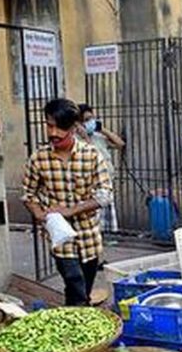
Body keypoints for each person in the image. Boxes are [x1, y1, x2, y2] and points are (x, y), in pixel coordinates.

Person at [22, 99, 113, 305]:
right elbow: (28, 194)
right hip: (60, 237)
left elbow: (105, 195)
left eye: (59, 127)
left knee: (83, 287)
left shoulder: (91, 155)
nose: (53, 133)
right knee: (73, 279)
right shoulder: (38, 159)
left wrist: (70, 210)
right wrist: (38, 213)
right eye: (49, 125)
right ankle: (80, 321)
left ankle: (77, 315)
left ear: (73, 127)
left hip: (88, 235)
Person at [77, 103, 125, 232]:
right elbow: (89, 152)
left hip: (106, 179)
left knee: (106, 208)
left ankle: (107, 233)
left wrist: (102, 129)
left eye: (92, 118)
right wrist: (85, 136)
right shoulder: (77, 140)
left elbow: (120, 143)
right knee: (93, 210)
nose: (91, 122)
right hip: (90, 181)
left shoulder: (99, 137)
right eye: (87, 120)